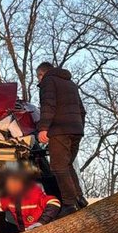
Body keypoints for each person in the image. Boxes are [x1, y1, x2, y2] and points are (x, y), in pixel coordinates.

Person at [36, 61, 86, 216]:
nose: (38, 81)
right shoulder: (70, 84)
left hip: (59, 129)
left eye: (38, 77)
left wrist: (43, 128)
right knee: (67, 164)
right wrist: (78, 127)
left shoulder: (48, 81)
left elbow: (48, 105)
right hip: (76, 130)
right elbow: (82, 111)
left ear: (41, 74)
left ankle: (69, 204)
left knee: (58, 167)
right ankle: (80, 199)